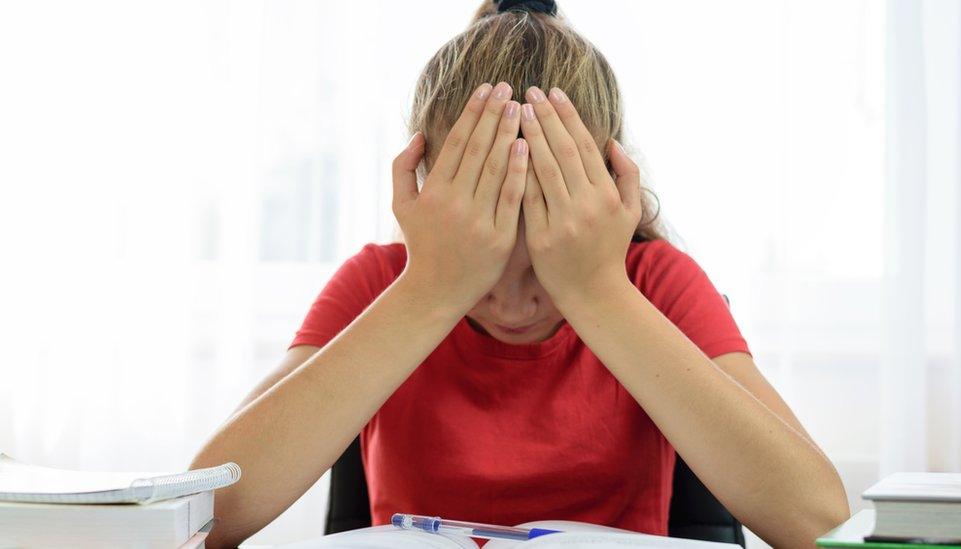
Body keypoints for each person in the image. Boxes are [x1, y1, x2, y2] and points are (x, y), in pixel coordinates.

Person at [190, 1, 850, 547]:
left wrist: (596, 290)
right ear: (426, 193)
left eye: (547, 247)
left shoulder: (654, 282)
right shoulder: (382, 283)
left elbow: (820, 523)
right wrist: (431, 290)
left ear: (610, 193)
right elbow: (204, 517)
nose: (512, 295)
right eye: (483, 244)